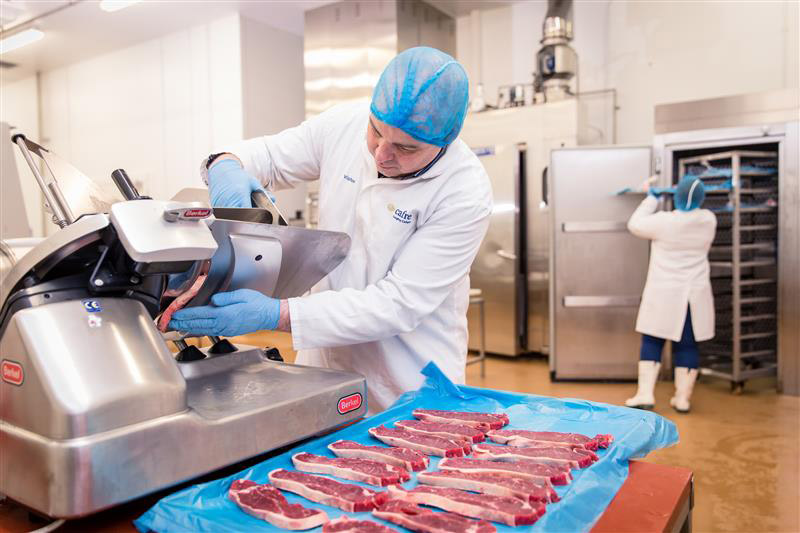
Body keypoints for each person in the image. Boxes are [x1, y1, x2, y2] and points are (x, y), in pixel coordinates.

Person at [168, 47, 492, 413]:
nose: (380, 154)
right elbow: (270, 156)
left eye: (405, 148)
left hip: (408, 380)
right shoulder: (345, 123)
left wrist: (278, 315)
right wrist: (225, 165)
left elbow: (398, 303)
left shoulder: (464, 191)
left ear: (443, 145)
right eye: (376, 131)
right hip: (321, 369)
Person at [624, 175, 716, 413]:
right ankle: (682, 398)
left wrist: (651, 198)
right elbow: (691, 206)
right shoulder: (708, 220)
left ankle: (645, 395)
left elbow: (635, 224)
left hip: (663, 293)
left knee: (653, 341)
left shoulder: (664, 222)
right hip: (692, 296)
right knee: (687, 345)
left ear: (676, 197)